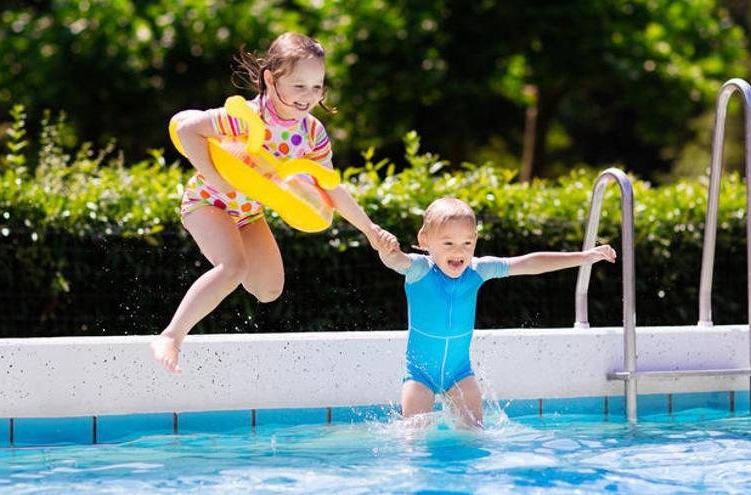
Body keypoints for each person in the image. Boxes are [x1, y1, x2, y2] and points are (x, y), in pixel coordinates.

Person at [152, 32, 397, 373]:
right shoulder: (245, 118)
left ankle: (223, 283)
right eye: (299, 86)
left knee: (269, 290)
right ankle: (171, 336)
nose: (309, 97)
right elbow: (186, 129)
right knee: (232, 267)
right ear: (271, 78)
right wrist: (216, 175)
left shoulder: (312, 132)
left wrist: (370, 230)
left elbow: (331, 188)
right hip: (207, 202)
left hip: (248, 212)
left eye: (317, 86)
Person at [375, 197, 616, 427]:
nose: (459, 251)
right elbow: (396, 261)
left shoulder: (478, 270)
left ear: (476, 239)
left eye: (467, 243)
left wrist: (585, 257)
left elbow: (530, 263)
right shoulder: (419, 270)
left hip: (459, 374)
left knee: (476, 436)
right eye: (448, 243)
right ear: (425, 239)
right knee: (412, 439)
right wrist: (386, 250)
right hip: (420, 376)